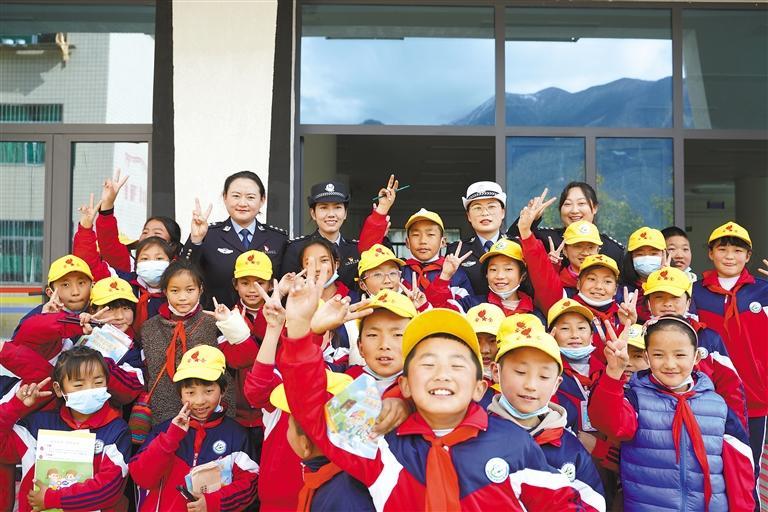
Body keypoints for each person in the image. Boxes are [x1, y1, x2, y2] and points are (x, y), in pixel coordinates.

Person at [276, 258, 606, 510]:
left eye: (457, 364)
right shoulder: (379, 442)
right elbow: (311, 411)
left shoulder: (514, 442)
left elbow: (565, 503)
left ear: (480, 387)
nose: (442, 373)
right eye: (428, 363)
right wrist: (302, 329)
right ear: (405, 384)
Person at [589, 315, 756, 511]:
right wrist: (613, 373)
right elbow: (607, 422)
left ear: (696, 357)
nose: (669, 364)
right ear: (647, 357)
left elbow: (741, 471)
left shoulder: (718, 406)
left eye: (680, 355)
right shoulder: (634, 400)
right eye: (658, 355)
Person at [0, 347, 132, 512]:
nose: (90, 390)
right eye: (79, 384)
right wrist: (15, 407)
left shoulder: (117, 430)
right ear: (58, 389)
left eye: (98, 383)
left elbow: (109, 488)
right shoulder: (37, 425)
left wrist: (53, 499)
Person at [129, 346, 259, 511]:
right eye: (191, 393)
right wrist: (170, 438)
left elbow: (251, 483)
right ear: (180, 394)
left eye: (208, 391)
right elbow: (142, 477)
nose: (199, 401)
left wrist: (214, 502)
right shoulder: (163, 431)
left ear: (223, 390)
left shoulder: (236, 435)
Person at [692, 221, 768, 478]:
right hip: (706, 395)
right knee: (709, 468)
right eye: (722, 249)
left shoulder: (764, 291)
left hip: (754, 396)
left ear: (748, 256)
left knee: (749, 469)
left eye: (737, 250)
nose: (729, 256)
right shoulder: (694, 292)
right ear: (710, 253)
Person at [489, 329, 603, 495]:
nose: (531, 385)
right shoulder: (476, 437)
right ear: (496, 372)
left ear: (556, 384)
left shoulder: (571, 449)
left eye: (543, 376)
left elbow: (593, 501)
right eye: (520, 372)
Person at [643, 266, 748, 429]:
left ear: (688, 303)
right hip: (651, 425)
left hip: (706, 425)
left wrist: (734, 435)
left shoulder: (708, 338)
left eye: (675, 297)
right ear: (649, 303)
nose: (667, 304)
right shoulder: (637, 336)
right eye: (659, 297)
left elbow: (731, 389)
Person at [138, 258, 235, 427]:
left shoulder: (215, 324)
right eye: (175, 290)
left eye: (190, 290)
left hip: (209, 414)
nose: (182, 297)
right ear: (165, 291)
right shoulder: (149, 328)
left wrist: (231, 325)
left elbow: (233, 367)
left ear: (200, 289)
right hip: (163, 414)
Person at [269, 372, 375, 512]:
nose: (287, 431)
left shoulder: (345, 499)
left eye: (289, 426)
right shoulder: (343, 479)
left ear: (305, 445)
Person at [183, 170, 287, 308]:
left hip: (266, 318)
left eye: (250, 197)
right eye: (236, 196)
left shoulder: (278, 239)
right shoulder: (208, 234)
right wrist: (195, 240)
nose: (242, 203)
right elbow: (182, 274)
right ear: (225, 197)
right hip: (216, 317)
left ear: (262, 200)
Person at [506, 183, 624, 265]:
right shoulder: (546, 239)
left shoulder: (612, 249)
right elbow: (509, 242)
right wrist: (531, 220)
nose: (574, 210)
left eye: (581, 203)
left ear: (595, 208)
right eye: (567, 204)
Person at [281, 180, 360, 287]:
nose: (331, 214)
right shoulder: (296, 248)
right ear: (313, 213)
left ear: (345, 213)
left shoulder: (356, 250)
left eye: (337, 207)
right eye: (323, 208)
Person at [446, 181, 508, 295]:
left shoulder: (516, 245)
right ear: (469, 216)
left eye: (491, 206)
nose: (485, 213)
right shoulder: (457, 251)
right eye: (477, 208)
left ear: (502, 213)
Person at [462, 238, 543, 320]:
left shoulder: (535, 315)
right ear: (486, 274)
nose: (500, 276)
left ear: (523, 275)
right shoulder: (471, 305)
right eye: (493, 269)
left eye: (508, 269)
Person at [621, 226, 668, 323]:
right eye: (640, 254)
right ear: (630, 258)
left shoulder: (677, 287)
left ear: (664, 255)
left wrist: (666, 278)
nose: (647, 258)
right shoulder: (622, 290)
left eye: (653, 253)